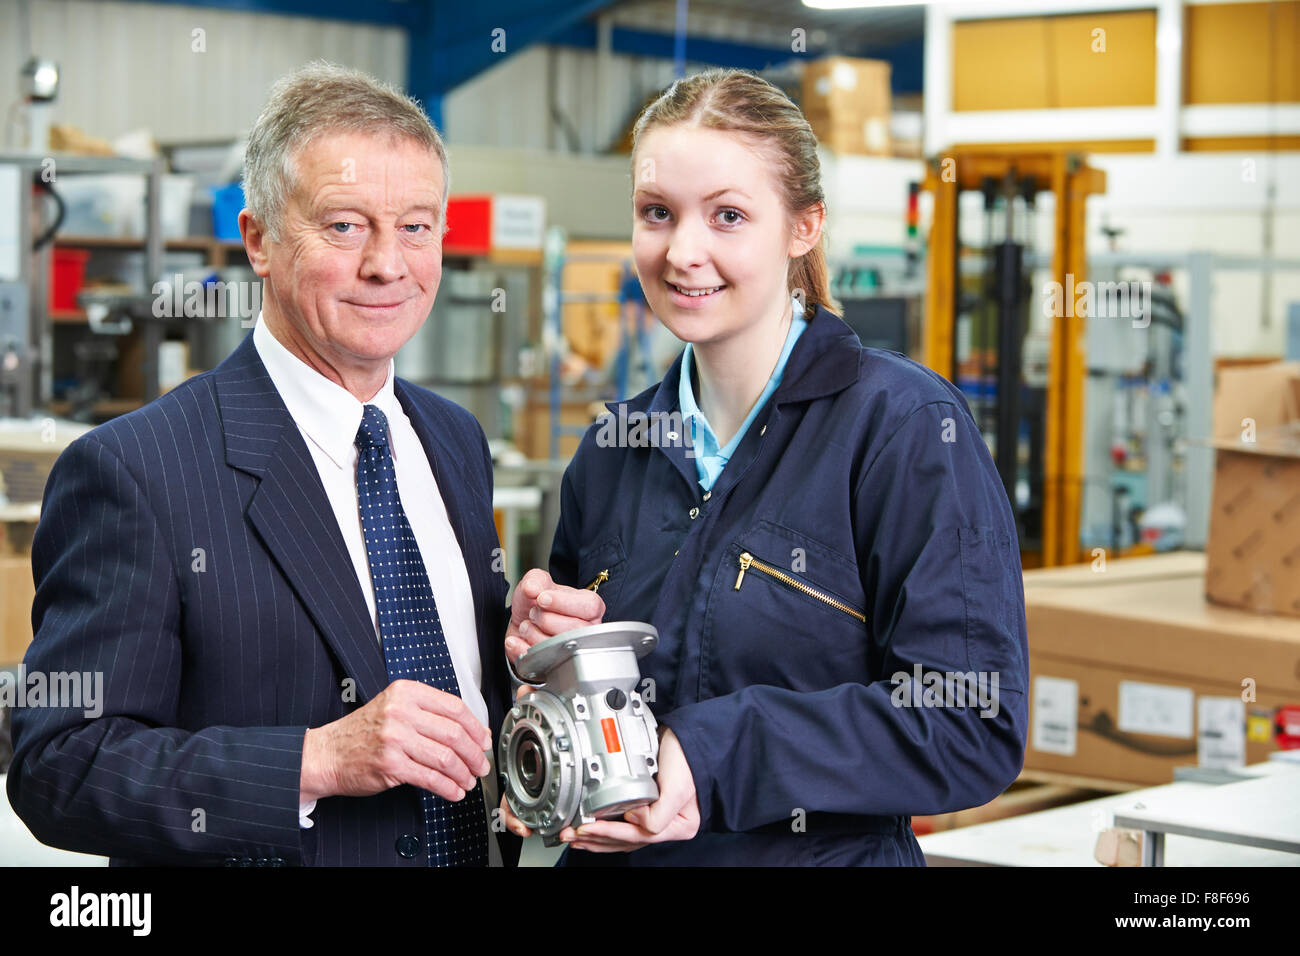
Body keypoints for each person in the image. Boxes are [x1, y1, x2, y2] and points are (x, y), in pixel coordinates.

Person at [504, 69, 1030, 866]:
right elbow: (591, 711)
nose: (683, 251)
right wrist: (541, 653)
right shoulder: (614, 446)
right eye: (658, 214)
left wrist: (717, 755)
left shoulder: (905, 432)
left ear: (803, 227)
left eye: (728, 216)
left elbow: (970, 724)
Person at [8, 62, 526, 867]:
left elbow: (452, 685)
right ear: (259, 240)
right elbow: (60, 767)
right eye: (346, 226)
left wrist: (527, 656)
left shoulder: (452, 439)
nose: (389, 265)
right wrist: (315, 761)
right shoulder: (136, 472)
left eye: (417, 226)